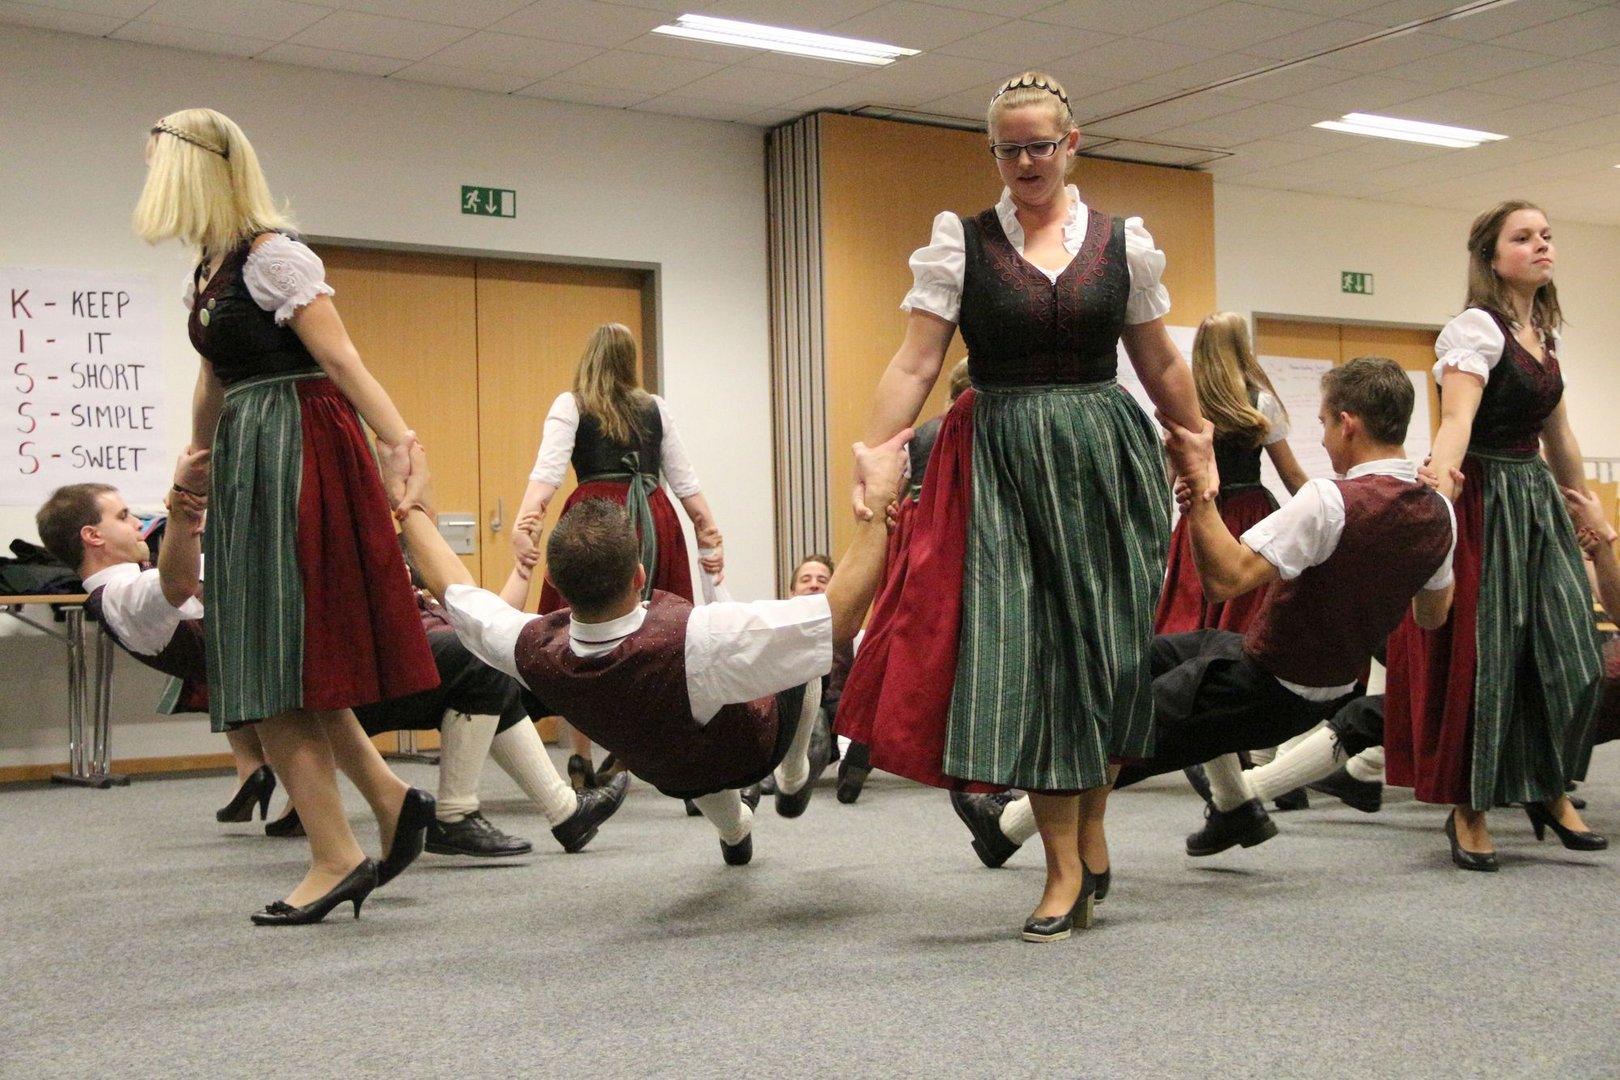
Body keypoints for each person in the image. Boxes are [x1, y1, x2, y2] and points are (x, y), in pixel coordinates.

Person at [837, 70, 1214, 943]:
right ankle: (1060, 868)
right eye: (1008, 151)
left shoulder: (1123, 243)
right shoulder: (962, 243)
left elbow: (1160, 362)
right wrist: (876, 452)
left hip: (1104, 460)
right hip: (1000, 463)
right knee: (1036, 661)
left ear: (1071, 144)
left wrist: (1194, 438)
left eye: (1040, 146)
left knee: (1106, 657)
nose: (1026, 163)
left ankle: (1090, 825)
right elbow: (915, 363)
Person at [135, 108, 439, 924]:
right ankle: (390, 798)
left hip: (297, 449)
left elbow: (341, 358)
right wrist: (194, 467)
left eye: (156, 163)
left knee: (271, 663)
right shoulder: (210, 267)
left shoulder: (273, 257)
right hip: (252, 451)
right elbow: (213, 375)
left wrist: (400, 443)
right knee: (280, 658)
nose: (149, 178)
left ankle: (336, 856)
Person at [386, 429, 910, 866]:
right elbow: (835, 620)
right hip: (751, 752)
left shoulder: (530, 648)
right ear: (640, 575)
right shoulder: (699, 638)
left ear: (557, 586)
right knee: (801, 657)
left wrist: (407, 508)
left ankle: (735, 831)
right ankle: (794, 777)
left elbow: (458, 594)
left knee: (693, 738)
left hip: (667, 772)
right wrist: (879, 499)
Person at [1115, 358, 1456, 860]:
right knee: (1164, 656)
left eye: (1323, 423)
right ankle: (1234, 809)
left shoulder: (1329, 500)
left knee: (1118, 737)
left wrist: (1201, 493)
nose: (1323, 439)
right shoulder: (1439, 510)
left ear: (1347, 423)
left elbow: (1223, 582)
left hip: (1269, 686)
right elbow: (1431, 616)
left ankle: (1008, 827)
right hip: (1327, 686)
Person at [1383, 200, 1607, 870]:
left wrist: (1587, 507)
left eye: (1547, 235)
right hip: (1483, 496)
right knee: (1486, 657)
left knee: (1571, 648)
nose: (1541, 245)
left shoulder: (1543, 336)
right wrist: (1441, 488)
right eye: (1523, 237)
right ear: (1491, 256)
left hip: (1534, 499)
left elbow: (1559, 435)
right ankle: (1471, 808)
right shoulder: (1475, 330)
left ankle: (1544, 785)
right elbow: (1457, 420)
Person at [510, 323, 724, 791]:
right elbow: (684, 480)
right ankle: (634, 748)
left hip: (592, 519)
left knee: (578, 632)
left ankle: (580, 756)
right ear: (630, 360)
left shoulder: (570, 405)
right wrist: (708, 530)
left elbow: (546, 474)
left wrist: (525, 523)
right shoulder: (655, 408)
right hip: (652, 519)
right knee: (658, 634)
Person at [1155, 311, 1307, 635]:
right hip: (1249, 515)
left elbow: (1166, 477)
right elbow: (1291, 475)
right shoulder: (1260, 403)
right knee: (1246, 615)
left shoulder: (1184, 405)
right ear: (1241, 347)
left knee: (1187, 613)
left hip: (1199, 513)